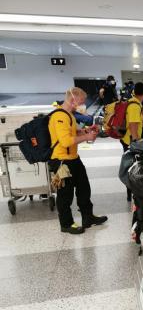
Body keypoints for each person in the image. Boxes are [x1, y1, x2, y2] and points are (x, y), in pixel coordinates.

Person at [48, 87, 107, 234]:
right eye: (80, 101)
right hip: (62, 161)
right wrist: (87, 138)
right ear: (72, 99)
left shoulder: (70, 114)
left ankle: (88, 217)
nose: (82, 104)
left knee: (84, 188)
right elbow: (66, 141)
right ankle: (66, 224)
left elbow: (72, 133)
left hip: (73, 159)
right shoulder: (59, 116)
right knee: (65, 194)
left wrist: (85, 131)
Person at [121, 82, 143, 201]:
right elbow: (133, 125)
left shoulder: (133, 102)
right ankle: (130, 193)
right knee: (131, 168)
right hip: (131, 141)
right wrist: (136, 142)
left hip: (128, 140)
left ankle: (130, 193)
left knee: (131, 166)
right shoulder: (135, 106)